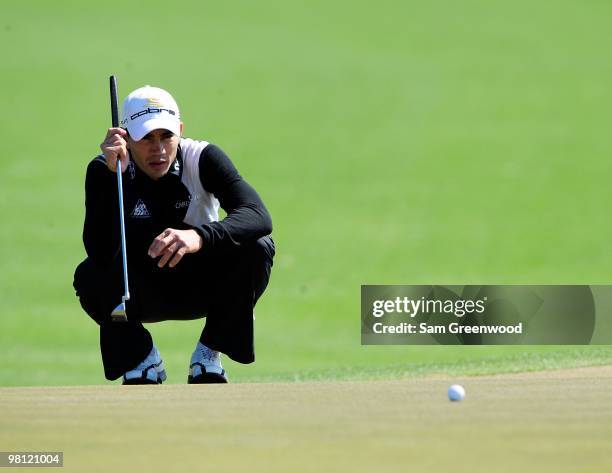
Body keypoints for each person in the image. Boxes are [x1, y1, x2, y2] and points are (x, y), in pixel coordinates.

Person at [73, 85, 275, 385]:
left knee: (257, 247)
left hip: (204, 287)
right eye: (146, 138)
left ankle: (208, 354)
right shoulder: (106, 171)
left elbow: (259, 215)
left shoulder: (202, 158)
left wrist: (200, 237)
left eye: (166, 136)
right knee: (89, 277)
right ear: (125, 138)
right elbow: (101, 254)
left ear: (180, 131)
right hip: (141, 292)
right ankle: (141, 356)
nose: (159, 149)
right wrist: (117, 181)